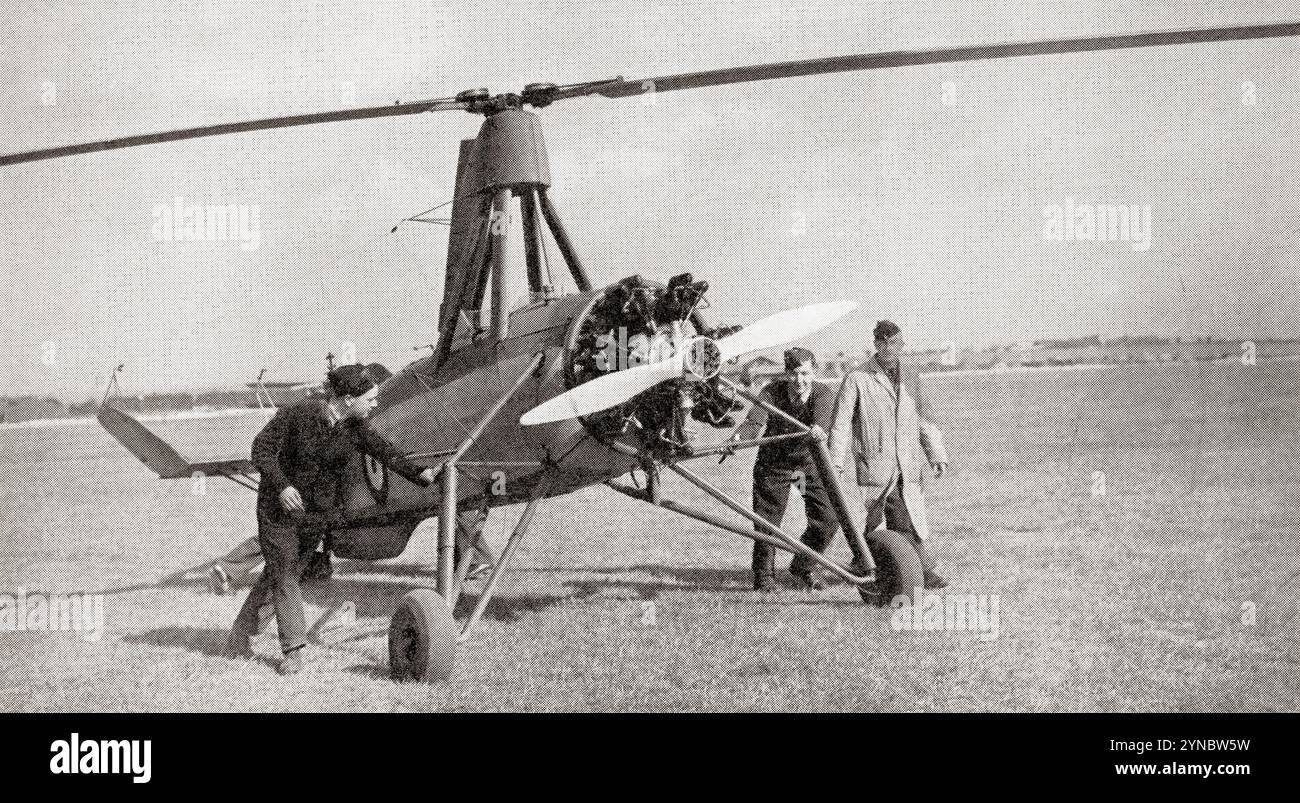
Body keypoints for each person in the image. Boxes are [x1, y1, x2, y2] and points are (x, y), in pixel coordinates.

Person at [223, 364, 436, 675]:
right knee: (285, 574)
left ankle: (240, 635)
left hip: (315, 516)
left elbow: (386, 452)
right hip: (278, 509)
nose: (375, 404)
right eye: (371, 398)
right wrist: (282, 485)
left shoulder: (355, 428)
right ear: (349, 399)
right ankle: (294, 648)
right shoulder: (299, 414)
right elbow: (261, 449)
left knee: (282, 575)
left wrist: (421, 474)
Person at [827, 320, 950, 589]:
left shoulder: (910, 376)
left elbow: (923, 418)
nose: (898, 350)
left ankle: (866, 563)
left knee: (900, 518)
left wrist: (936, 454)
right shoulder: (857, 378)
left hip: (908, 463)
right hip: (877, 464)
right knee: (897, 517)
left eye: (901, 344)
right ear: (878, 345)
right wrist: (833, 463)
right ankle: (916, 571)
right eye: (892, 344)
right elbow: (840, 424)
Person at [733, 348, 851, 592]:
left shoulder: (822, 393)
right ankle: (764, 578)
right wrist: (737, 438)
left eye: (805, 374)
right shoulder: (771, 392)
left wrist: (819, 429)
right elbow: (755, 421)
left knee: (827, 518)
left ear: (813, 372)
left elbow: (822, 421)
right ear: (786, 373)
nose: (800, 380)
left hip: (805, 469)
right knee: (768, 523)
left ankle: (803, 565)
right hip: (774, 467)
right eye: (795, 374)